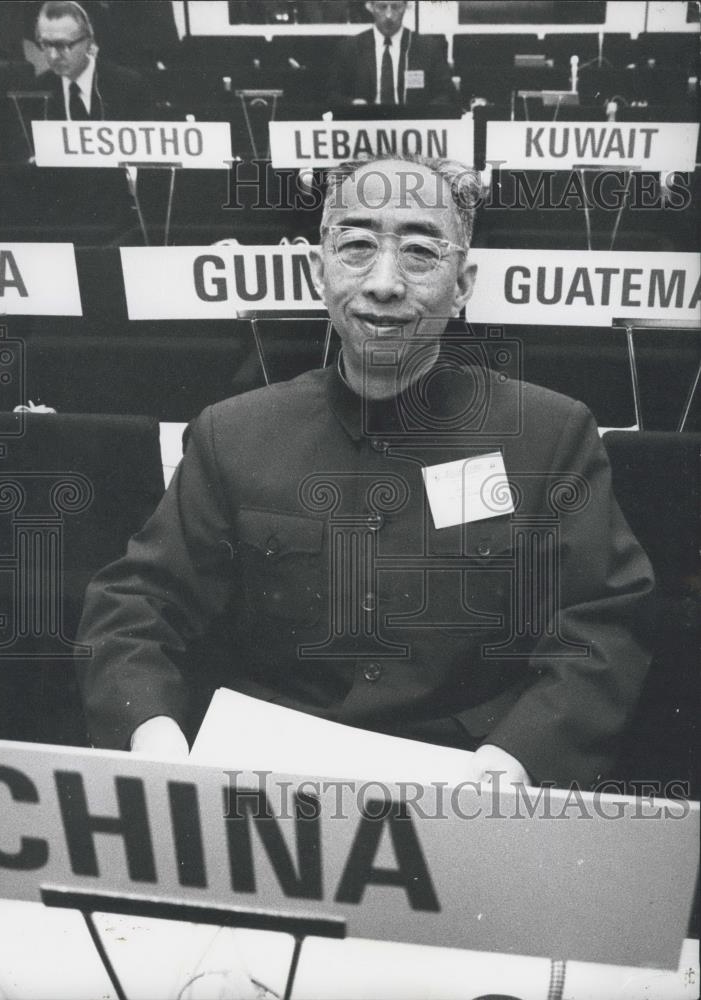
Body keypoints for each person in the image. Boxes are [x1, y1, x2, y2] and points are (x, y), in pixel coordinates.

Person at [77, 153, 654, 789]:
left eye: (420, 252)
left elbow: (601, 627)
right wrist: (152, 732)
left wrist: (517, 760)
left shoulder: (550, 435)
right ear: (317, 270)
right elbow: (137, 606)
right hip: (268, 785)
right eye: (356, 245)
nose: (384, 283)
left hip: (470, 786)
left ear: (463, 284)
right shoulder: (231, 434)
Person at [33, 0, 152, 120]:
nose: (53, 55)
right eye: (46, 44)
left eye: (63, 45)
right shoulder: (36, 90)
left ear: (88, 41)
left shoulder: (129, 87)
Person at [327, 1, 458, 108]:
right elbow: (331, 95)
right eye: (382, 7)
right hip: (366, 125)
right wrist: (351, 104)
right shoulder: (350, 48)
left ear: (405, 7)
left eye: (395, 7)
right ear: (370, 7)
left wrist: (424, 114)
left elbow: (447, 95)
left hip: (413, 125)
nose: (389, 15)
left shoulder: (428, 48)